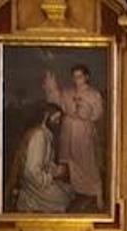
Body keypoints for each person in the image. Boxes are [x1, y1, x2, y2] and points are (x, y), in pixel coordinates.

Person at [42, 63, 105, 212]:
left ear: (86, 77)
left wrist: (85, 111)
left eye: (80, 76)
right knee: (71, 163)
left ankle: (97, 193)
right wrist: (51, 85)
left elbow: (97, 114)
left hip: (82, 132)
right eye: (74, 77)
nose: (77, 80)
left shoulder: (93, 94)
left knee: (87, 161)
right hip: (68, 131)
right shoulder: (68, 92)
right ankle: (76, 193)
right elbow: (56, 99)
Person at [7, 104, 72, 215]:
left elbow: (45, 163)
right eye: (56, 119)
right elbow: (31, 171)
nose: (58, 123)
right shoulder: (39, 136)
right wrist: (52, 176)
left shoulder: (46, 134)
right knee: (64, 199)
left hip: (40, 180)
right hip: (34, 184)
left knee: (69, 191)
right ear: (46, 116)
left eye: (59, 120)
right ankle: (28, 201)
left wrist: (57, 170)